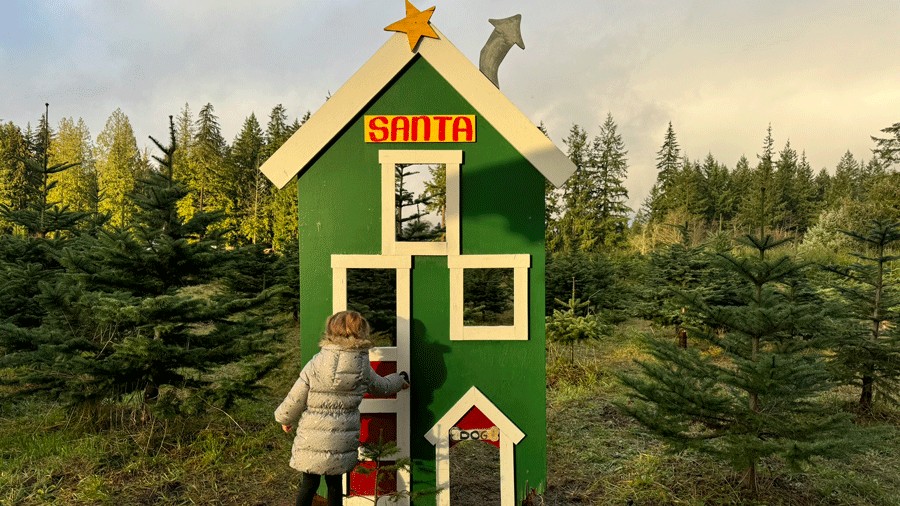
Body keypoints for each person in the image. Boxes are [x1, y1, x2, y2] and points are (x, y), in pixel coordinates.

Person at [275, 310, 410, 506]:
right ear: (362, 332)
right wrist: (400, 379)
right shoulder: (362, 366)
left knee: (309, 483)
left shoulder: (317, 362)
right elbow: (382, 387)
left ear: (331, 330)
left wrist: (285, 418)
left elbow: (296, 395)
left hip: (312, 435)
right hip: (342, 438)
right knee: (335, 484)